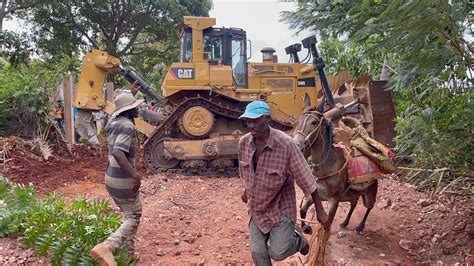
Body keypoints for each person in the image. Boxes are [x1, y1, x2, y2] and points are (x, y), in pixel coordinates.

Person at [238, 100, 330, 266]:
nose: (251, 125)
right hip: (257, 207)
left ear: (267, 119)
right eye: (248, 121)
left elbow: (307, 179)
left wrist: (320, 211)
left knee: (277, 252)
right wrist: (246, 191)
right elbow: (247, 172)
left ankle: (299, 240)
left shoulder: (286, 145)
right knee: (258, 252)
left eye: (256, 120)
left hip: (280, 208)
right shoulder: (244, 143)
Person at [90, 93, 144, 265]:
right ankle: (107, 247)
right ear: (129, 111)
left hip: (110, 177)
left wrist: (130, 94)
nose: (137, 108)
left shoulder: (113, 124)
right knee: (133, 216)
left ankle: (128, 254)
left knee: (130, 213)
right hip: (123, 179)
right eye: (134, 106)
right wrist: (135, 175)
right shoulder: (128, 126)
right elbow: (118, 152)